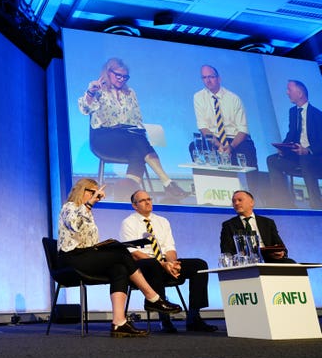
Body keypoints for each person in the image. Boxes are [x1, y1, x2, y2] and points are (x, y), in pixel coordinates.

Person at [58, 178, 182, 337]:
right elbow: (74, 226)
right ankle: (153, 297)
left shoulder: (87, 212)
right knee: (122, 253)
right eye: (95, 193)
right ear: (83, 191)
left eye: (99, 194)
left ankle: (119, 322)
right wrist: (89, 204)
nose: (98, 197)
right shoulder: (69, 207)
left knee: (120, 268)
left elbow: (89, 242)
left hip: (86, 256)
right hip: (71, 259)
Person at [78, 57, 188, 202]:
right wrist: (90, 93)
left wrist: (143, 130)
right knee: (138, 142)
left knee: (139, 146)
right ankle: (167, 182)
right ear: (108, 72)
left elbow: (137, 119)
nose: (121, 79)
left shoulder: (130, 93)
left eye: (125, 77)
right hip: (104, 139)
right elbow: (84, 109)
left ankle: (127, 190)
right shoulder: (98, 90)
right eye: (118, 75)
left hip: (128, 139)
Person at [119, 189, 218, 333]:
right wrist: (162, 264)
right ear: (134, 205)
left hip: (165, 263)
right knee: (153, 264)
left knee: (199, 265)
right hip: (144, 267)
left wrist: (172, 264)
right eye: (143, 200)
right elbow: (133, 253)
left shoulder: (162, 221)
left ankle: (194, 317)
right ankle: (164, 319)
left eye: (149, 199)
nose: (148, 202)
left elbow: (170, 248)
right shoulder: (128, 223)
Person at [190, 65, 258, 192]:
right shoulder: (198, 97)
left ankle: (254, 193)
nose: (208, 81)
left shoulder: (233, 98)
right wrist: (218, 145)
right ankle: (208, 190)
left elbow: (243, 130)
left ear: (219, 78)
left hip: (235, 138)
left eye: (211, 77)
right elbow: (203, 127)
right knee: (194, 146)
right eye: (204, 77)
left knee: (247, 149)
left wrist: (231, 147)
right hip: (213, 138)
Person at [266, 80, 322, 209]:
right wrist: (283, 147)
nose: (287, 93)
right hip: (296, 155)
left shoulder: (318, 115)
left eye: (289, 90)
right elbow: (291, 134)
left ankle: (316, 204)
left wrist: (308, 150)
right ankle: (283, 202)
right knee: (272, 160)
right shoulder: (293, 112)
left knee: (306, 160)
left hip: (314, 157)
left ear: (300, 93)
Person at [220, 190, 295, 263]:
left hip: (269, 259)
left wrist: (280, 253)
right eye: (234, 201)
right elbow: (226, 251)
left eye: (240, 200)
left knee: (290, 262)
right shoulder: (228, 225)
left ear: (252, 203)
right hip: (244, 262)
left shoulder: (267, 222)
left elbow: (280, 246)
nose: (236, 203)